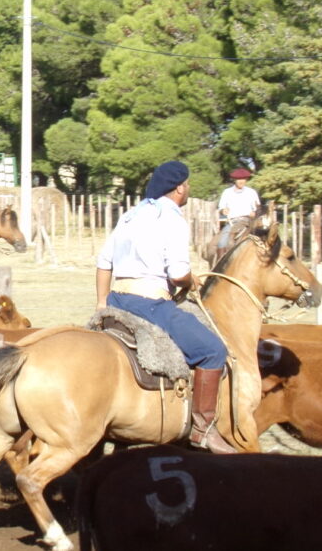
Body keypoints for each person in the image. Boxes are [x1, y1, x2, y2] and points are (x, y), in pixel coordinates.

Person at [95, 160, 237, 454]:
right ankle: (203, 430)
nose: (187, 190)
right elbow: (177, 274)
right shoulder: (172, 219)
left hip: (117, 299)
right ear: (179, 188)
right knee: (213, 350)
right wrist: (191, 280)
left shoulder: (130, 216)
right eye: (187, 185)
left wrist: (102, 303)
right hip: (150, 303)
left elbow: (103, 263)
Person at [215, 168, 260, 262]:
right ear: (235, 180)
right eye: (239, 179)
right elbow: (221, 208)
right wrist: (223, 210)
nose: (241, 181)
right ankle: (219, 267)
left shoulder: (251, 192)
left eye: (244, 179)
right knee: (221, 242)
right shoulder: (227, 192)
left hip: (248, 221)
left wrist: (254, 213)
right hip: (233, 222)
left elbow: (257, 207)